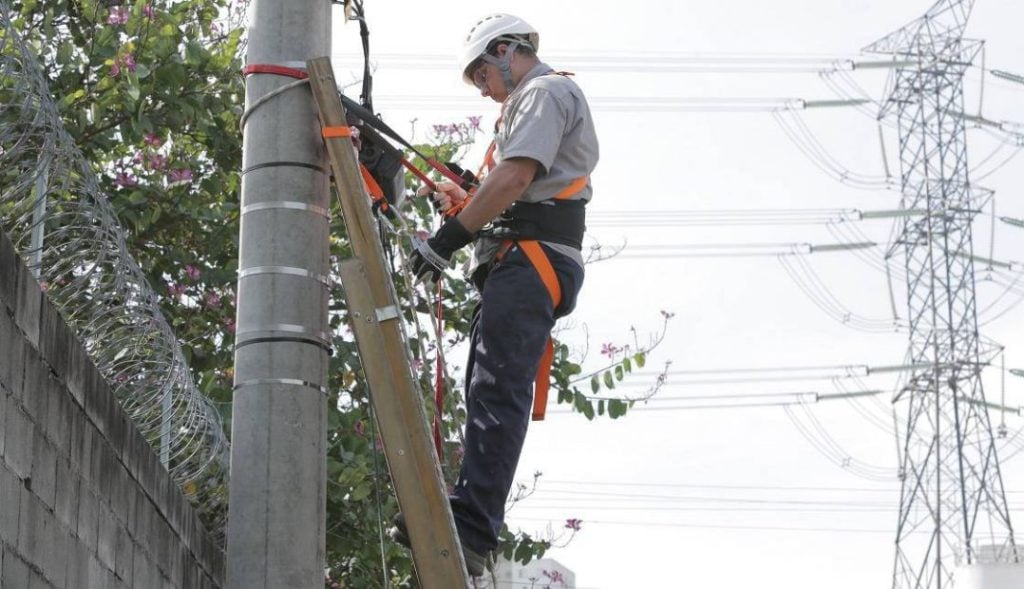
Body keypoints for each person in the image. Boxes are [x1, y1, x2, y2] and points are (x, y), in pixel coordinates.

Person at [403, 13, 599, 577]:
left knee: (496, 392)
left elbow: (514, 181)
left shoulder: (545, 92)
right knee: (487, 390)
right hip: (521, 259)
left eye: (483, 74)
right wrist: (467, 198)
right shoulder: (525, 107)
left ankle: (471, 530)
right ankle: (467, 516)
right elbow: (512, 188)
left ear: (509, 51)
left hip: (532, 260)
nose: (485, 90)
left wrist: (449, 238)